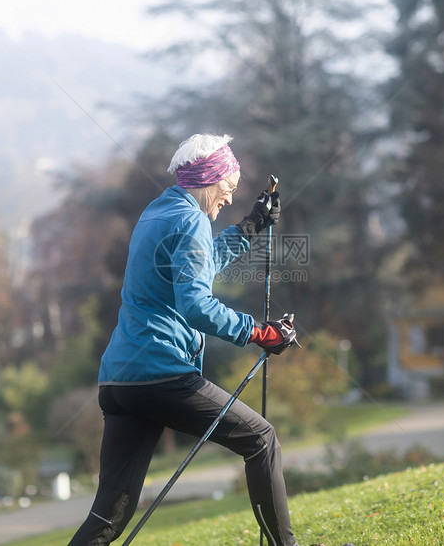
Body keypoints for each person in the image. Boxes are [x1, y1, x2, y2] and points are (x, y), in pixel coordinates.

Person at [67, 133, 302, 546]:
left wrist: (249, 227)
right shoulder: (191, 220)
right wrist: (260, 332)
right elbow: (196, 305)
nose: (228, 199)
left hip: (119, 382)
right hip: (161, 375)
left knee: (109, 515)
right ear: (210, 179)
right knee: (261, 440)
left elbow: (200, 263)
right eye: (228, 189)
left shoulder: (157, 213)